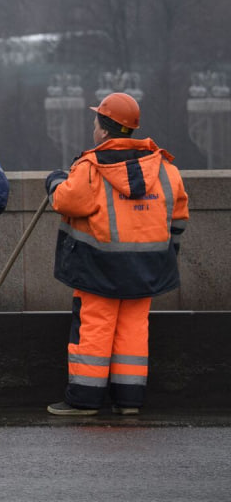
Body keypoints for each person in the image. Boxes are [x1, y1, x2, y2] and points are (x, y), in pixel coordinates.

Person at [44, 92, 187, 416]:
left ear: (105, 131)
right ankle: (129, 401)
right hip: (147, 268)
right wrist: (167, 254)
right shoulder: (165, 168)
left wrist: (54, 181)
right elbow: (178, 217)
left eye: (96, 123)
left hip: (99, 268)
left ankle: (84, 399)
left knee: (94, 330)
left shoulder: (91, 168)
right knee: (133, 332)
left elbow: (66, 201)